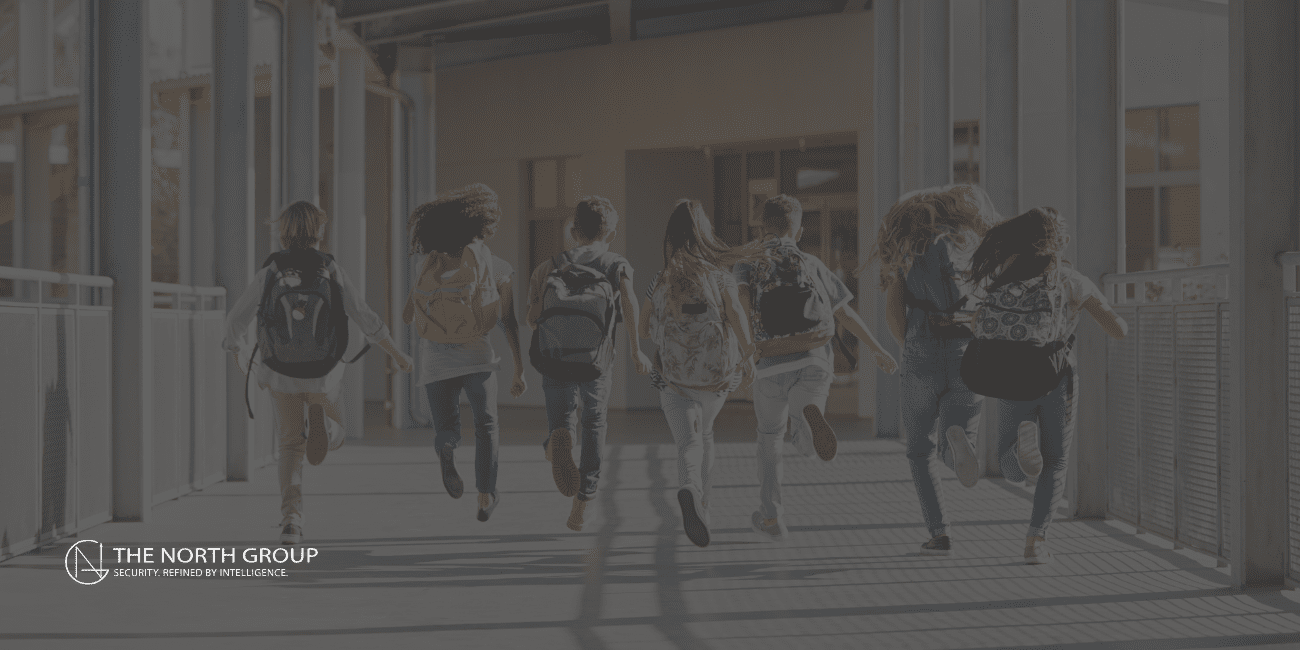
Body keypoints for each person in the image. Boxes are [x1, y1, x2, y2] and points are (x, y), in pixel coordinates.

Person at [224, 200, 413, 546]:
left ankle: (291, 521)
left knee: (290, 445)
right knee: (334, 430)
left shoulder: (271, 270)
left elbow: (238, 315)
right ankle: (327, 426)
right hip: (323, 372)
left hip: (279, 370)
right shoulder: (330, 268)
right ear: (319, 231)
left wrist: (237, 350)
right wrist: (396, 353)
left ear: (283, 231)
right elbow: (362, 314)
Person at [965, 207, 1128, 564]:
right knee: (1054, 462)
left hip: (1009, 378)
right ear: (1061, 243)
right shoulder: (1071, 280)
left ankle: (1018, 456)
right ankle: (1035, 541)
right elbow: (1117, 329)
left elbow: (976, 324)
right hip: (1056, 377)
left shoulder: (1001, 279)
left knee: (1009, 461)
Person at [735, 194, 897, 544]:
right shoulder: (811, 262)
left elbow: (743, 304)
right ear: (798, 228)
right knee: (804, 439)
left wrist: (747, 352)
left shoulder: (748, 262)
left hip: (770, 363)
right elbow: (844, 314)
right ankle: (808, 424)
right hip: (814, 358)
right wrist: (877, 349)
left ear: (762, 226)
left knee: (769, 438)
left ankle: (771, 516)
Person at [866, 183, 1000, 557]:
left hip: (922, 348)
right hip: (966, 350)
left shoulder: (906, 248)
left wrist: (909, 346)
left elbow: (895, 313)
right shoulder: (972, 244)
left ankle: (939, 531)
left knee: (918, 449)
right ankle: (958, 440)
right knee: (957, 437)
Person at [527, 196, 651, 532]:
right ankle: (583, 504)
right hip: (597, 360)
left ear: (573, 230)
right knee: (594, 422)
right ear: (609, 233)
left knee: (562, 419)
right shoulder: (615, 263)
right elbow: (630, 301)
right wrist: (637, 351)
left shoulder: (547, 265)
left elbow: (531, 318)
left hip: (554, 359)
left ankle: (556, 443)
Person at [403, 183, 526, 522]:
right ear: (479, 222)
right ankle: (485, 494)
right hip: (477, 358)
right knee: (487, 425)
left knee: (446, 427)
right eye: (493, 220)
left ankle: (446, 447)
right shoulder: (497, 265)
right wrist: (519, 367)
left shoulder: (428, 264)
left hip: (436, 359)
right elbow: (508, 320)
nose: (497, 226)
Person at [639, 199, 756, 548]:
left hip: (673, 379)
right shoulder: (720, 275)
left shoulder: (660, 279)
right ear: (705, 233)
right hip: (716, 379)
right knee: (705, 435)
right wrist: (749, 356)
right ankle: (703, 503)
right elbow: (736, 313)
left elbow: (644, 330)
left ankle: (690, 487)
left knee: (688, 443)